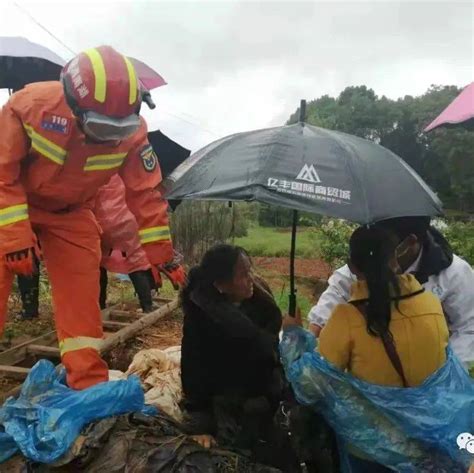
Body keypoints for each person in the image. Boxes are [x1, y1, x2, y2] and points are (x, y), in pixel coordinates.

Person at [0, 46, 184, 389]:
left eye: (120, 127)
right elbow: (2, 173)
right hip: (12, 204)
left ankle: (88, 386)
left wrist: (163, 256)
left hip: (72, 213)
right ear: (73, 103)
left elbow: (145, 196)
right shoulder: (29, 108)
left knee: (82, 302)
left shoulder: (133, 135)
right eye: (102, 126)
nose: (110, 136)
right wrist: (13, 236)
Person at [286, 225, 449, 472]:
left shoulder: (347, 317)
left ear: (351, 266)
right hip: (428, 439)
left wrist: (293, 337)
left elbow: (310, 386)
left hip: (372, 449)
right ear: (396, 258)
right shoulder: (432, 304)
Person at [180, 244, 298, 470]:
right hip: (226, 400)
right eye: (243, 275)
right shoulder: (201, 317)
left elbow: (270, 352)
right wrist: (201, 426)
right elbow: (193, 371)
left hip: (263, 395)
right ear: (221, 285)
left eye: (249, 270)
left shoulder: (261, 302)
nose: (251, 279)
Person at [308, 216, 474, 365]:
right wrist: (306, 337)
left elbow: (468, 328)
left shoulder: (455, 275)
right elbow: (332, 300)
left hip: (432, 373)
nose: (377, 253)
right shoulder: (368, 263)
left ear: (410, 243)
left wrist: (443, 376)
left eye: (385, 246)